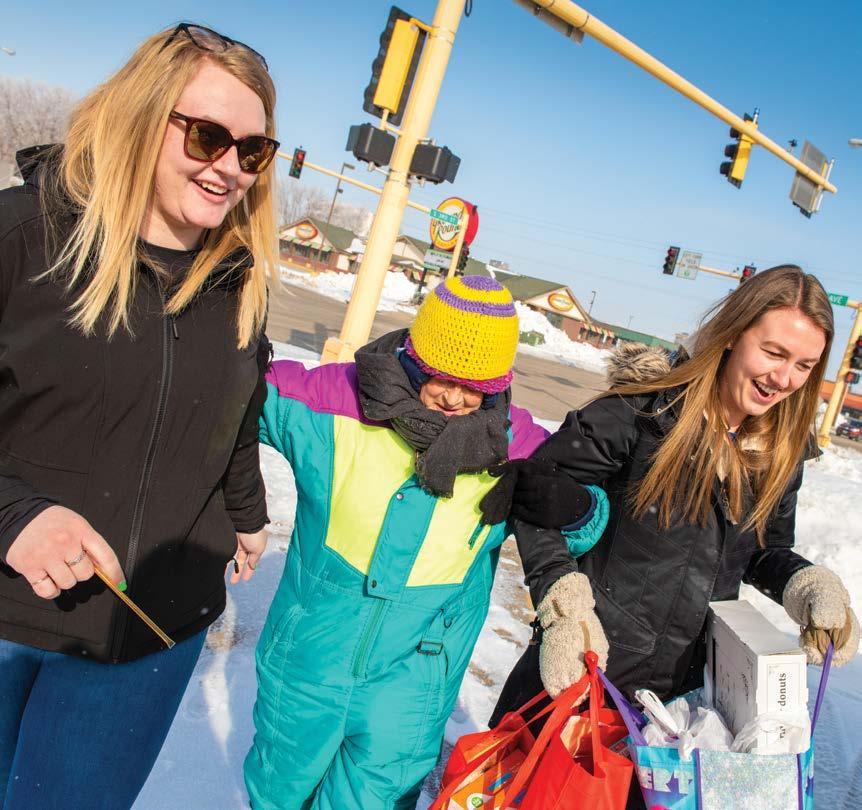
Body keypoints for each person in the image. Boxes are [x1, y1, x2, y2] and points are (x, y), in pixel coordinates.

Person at [0, 24, 278, 809]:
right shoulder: (23, 235)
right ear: (142, 114)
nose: (229, 167)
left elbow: (237, 414)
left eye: (252, 151)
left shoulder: (239, 283)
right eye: (208, 136)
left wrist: (246, 512)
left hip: (147, 635)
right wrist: (13, 515)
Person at [244, 275, 609, 810]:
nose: (456, 399)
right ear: (416, 357)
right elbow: (244, 394)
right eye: (442, 378)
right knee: (278, 791)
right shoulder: (337, 401)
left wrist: (576, 507)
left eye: (477, 388)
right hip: (309, 660)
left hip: (414, 684)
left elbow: (584, 524)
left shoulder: (515, 444)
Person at [492, 265, 860, 731]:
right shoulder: (641, 413)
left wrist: (806, 585)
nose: (784, 378)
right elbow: (539, 499)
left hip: (680, 710)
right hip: (583, 677)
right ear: (733, 334)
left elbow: (762, 550)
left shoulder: (780, 453)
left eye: (804, 366)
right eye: (773, 352)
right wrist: (565, 610)